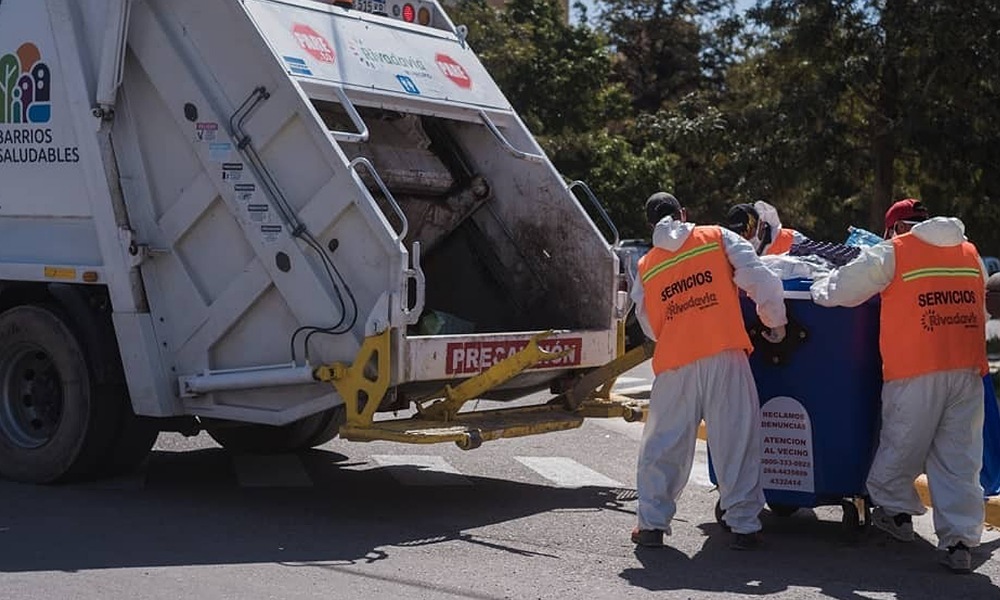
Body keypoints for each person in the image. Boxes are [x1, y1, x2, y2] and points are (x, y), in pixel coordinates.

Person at [810, 198, 987, 574]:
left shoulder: (895, 252)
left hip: (915, 371)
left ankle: (895, 512)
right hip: (967, 371)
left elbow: (844, 288)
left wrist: (816, 290)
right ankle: (959, 541)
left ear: (895, 228)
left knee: (902, 445)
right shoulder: (970, 252)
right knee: (959, 458)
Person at [631, 192, 788, 550]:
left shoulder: (646, 266)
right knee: (736, 440)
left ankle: (652, 525)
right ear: (684, 213)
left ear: (649, 224)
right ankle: (744, 526)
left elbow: (649, 325)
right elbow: (759, 279)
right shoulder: (716, 236)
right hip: (725, 355)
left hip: (675, 365)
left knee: (664, 445)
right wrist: (775, 323)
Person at [725, 201, 808, 256]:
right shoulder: (734, 254)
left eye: (747, 233)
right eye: (737, 235)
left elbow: (817, 264)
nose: (743, 238)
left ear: (760, 225)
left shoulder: (791, 238)